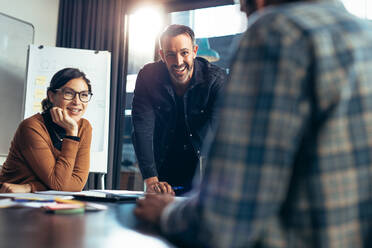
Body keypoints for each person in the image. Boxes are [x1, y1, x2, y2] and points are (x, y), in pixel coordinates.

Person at [135, 0, 372, 247]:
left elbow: (224, 216)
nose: (241, 10)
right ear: (162, 56)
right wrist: (152, 178)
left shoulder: (277, 32)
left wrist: (166, 212)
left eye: (243, 1)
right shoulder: (366, 33)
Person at [132, 24, 226, 195]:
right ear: (162, 56)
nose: (178, 62)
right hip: (162, 169)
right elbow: (142, 128)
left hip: (203, 171)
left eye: (184, 53)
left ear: (195, 51)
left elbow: (222, 133)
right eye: (170, 55)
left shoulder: (215, 80)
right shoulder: (147, 76)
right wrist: (151, 179)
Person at [0, 68, 93, 193]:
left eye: (84, 95)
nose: (77, 101)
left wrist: (29, 187)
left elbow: (77, 184)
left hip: (46, 200)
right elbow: (59, 184)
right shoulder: (32, 127)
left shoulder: (84, 127)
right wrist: (71, 134)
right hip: (11, 200)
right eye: (69, 93)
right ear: (51, 96)